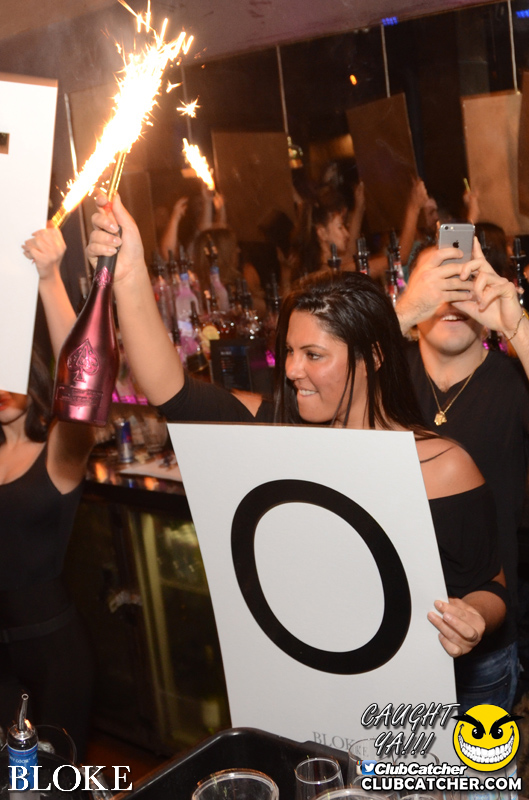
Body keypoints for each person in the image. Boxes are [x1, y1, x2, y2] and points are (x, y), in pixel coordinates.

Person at [87, 192, 508, 707]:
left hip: (446, 691)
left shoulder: (440, 466)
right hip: (327, 687)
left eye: (313, 354)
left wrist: (473, 617)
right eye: (289, 351)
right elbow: (171, 392)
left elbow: (491, 585)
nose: (291, 370)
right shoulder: (284, 437)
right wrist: (129, 272)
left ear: (374, 356)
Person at [395, 239, 529, 710]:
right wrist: (403, 311)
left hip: (487, 637)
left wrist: (514, 324)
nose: (451, 299)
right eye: (438, 283)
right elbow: (322, 375)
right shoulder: (384, 377)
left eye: (465, 281)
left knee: (478, 760)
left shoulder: (514, 381)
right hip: (391, 632)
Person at [0, 225, 94, 758]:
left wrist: (49, 279)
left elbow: (83, 387)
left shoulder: (57, 456)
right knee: (14, 787)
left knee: (59, 787)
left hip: (56, 659)